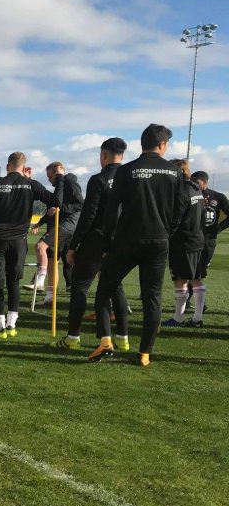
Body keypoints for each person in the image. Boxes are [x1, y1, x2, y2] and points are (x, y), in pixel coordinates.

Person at [90, 124, 191, 366]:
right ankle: (144, 353)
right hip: (158, 241)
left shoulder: (126, 170)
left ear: (142, 143)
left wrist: (106, 243)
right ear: (162, 145)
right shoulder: (174, 172)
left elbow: (112, 210)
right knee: (152, 297)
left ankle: (105, 341)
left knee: (105, 288)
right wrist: (167, 232)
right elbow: (180, 208)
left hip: (127, 240)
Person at [53, 137, 130, 352]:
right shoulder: (130, 179)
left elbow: (88, 215)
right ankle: (123, 338)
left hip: (96, 240)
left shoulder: (98, 179)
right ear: (122, 155)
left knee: (80, 286)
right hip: (120, 241)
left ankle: (73, 337)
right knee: (116, 287)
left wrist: (73, 245)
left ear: (103, 155)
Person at [0, 152, 63, 339]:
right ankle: (11, 326)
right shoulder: (31, 184)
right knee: (14, 282)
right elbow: (57, 202)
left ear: (7, 166)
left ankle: (0, 328)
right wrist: (60, 179)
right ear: (24, 167)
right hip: (18, 241)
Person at [161, 159, 206, 328]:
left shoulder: (181, 191)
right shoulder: (196, 189)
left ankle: (179, 318)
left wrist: (166, 236)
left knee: (180, 279)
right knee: (196, 278)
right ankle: (197, 318)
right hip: (197, 240)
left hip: (183, 242)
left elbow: (176, 219)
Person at [30, 162, 83, 305]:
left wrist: (61, 208)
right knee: (52, 260)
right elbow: (52, 210)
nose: (49, 180)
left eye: (50, 176)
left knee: (40, 246)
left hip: (67, 225)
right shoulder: (58, 188)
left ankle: (39, 280)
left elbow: (80, 204)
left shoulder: (69, 181)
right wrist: (40, 223)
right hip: (59, 225)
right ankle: (50, 296)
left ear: (58, 172)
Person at [194, 171, 229, 290]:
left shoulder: (218, 197)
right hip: (192, 238)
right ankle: (187, 297)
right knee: (190, 270)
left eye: (196, 182)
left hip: (209, 239)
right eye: (191, 182)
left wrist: (218, 228)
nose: (193, 184)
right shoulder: (189, 195)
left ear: (204, 182)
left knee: (201, 271)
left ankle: (193, 295)